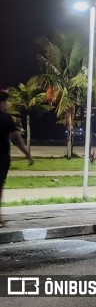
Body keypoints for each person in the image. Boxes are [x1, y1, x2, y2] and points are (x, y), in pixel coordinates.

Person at [0, 90, 33, 227]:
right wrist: (27, 154)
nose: (7, 104)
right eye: (6, 102)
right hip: (1, 158)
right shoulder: (6, 118)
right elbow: (16, 138)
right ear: (1, 103)